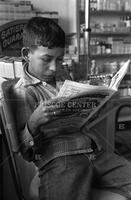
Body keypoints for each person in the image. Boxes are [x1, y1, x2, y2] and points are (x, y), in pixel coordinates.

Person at [12, 17, 131, 200]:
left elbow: (83, 119)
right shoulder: (24, 92)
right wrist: (33, 122)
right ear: (27, 53)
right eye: (47, 59)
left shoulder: (63, 75)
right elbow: (25, 151)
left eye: (59, 59)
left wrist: (97, 103)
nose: (54, 67)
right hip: (62, 158)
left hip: (94, 151)